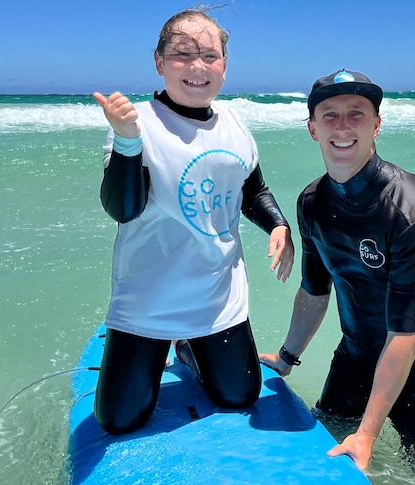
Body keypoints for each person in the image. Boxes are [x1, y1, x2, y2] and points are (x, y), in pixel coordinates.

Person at [91, 7, 294, 435]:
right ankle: (165, 344)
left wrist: (278, 224)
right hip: (148, 296)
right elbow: (122, 208)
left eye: (210, 55)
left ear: (224, 65)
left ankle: (188, 349)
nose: (197, 66)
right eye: (183, 54)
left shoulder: (235, 122)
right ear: (160, 61)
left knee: (239, 396)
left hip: (218, 296)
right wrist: (128, 142)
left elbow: (251, 188)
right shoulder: (136, 123)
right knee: (119, 420)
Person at [260, 69, 415, 470]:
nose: (343, 127)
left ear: (377, 125)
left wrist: (367, 432)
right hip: (353, 358)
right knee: (324, 453)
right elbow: (315, 290)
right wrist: (286, 357)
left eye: (357, 114)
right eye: (329, 115)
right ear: (312, 128)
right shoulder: (312, 202)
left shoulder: (411, 211)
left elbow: (405, 333)